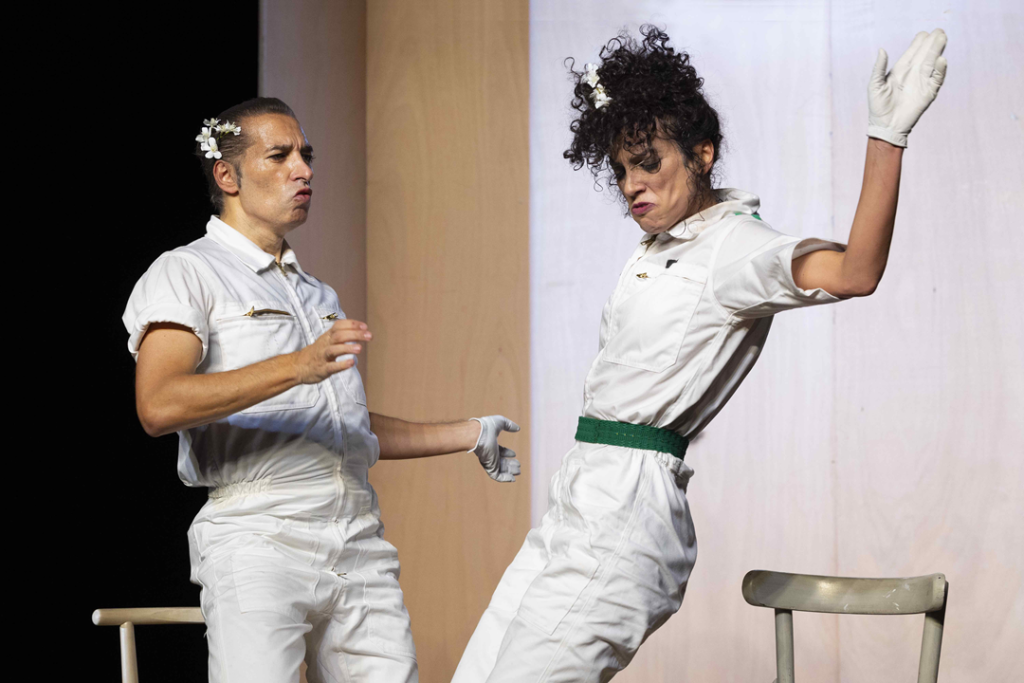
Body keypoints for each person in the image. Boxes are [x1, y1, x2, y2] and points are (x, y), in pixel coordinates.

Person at [453, 26, 947, 682]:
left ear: (702, 154)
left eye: (648, 162)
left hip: (627, 508)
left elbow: (856, 272)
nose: (632, 184)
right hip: (577, 496)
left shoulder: (734, 247)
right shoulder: (658, 247)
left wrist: (887, 137)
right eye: (621, 170)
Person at [123, 97, 520, 683]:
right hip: (258, 534)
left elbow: (340, 423)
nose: (303, 170)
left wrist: (470, 433)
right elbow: (159, 405)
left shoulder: (316, 294)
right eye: (279, 156)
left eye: (306, 155)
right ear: (227, 176)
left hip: (357, 538)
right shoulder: (186, 271)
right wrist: (297, 366)